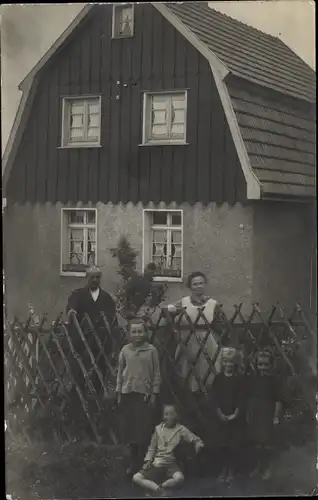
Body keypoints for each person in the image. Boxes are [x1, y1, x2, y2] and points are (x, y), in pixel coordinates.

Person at [116, 317, 161, 475]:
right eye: (134, 331)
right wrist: (119, 391)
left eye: (140, 331)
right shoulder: (125, 350)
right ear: (129, 333)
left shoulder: (151, 350)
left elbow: (156, 373)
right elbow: (120, 372)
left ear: (146, 333)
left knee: (144, 431)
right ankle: (133, 463)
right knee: (130, 431)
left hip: (145, 396)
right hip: (129, 394)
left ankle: (145, 463)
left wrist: (154, 393)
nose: (137, 334)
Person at [65, 266, 119, 395]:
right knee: (79, 371)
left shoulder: (106, 298)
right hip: (82, 342)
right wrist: (72, 311)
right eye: (92, 277)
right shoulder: (77, 295)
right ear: (86, 278)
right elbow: (72, 306)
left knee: (100, 372)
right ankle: (77, 397)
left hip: (100, 342)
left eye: (97, 277)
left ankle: (97, 398)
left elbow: (112, 319)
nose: (95, 280)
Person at [167, 271, 221, 394]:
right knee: (188, 373)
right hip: (188, 341)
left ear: (205, 284)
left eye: (201, 283)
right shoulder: (184, 302)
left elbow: (219, 324)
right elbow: (168, 311)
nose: (198, 286)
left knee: (207, 372)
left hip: (207, 342)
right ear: (190, 286)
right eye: (195, 284)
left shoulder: (213, 304)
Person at [133, 404, 204, 496]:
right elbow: (152, 448)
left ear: (176, 416)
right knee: (136, 477)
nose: (168, 417)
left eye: (171, 414)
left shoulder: (180, 429)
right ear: (163, 416)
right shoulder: (158, 429)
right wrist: (148, 460)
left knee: (179, 479)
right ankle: (159, 490)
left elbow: (197, 441)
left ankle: (161, 487)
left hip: (171, 464)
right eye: (166, 414)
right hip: (157, 463)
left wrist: (195, 450)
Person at [208, 347, 246, 483]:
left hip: (235, 418)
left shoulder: (239, 379)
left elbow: (242, 398)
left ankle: (232, 470)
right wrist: (219, 413)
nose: (228, 365)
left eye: (230, 362)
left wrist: (235, 414)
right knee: (222, 445)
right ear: (222, 362)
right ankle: (223, 469)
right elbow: (214, 398)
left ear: (235, 363)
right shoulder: (218, 379)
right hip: (221, 417)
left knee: (233, 445)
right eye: (225, 361)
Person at [246, 349, 283, 480]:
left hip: (267, 414)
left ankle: (267, 468)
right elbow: (250, 398)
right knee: (256, 443)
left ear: (271, 365)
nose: (263, 368)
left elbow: (278, 400)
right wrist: (249, 414)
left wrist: (276, 417)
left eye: (266, 365)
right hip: (256, 414)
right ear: (256, 365)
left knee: (266, 443)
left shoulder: (274, 381)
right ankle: (257, 467)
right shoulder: (254, 379)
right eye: (260, 365)